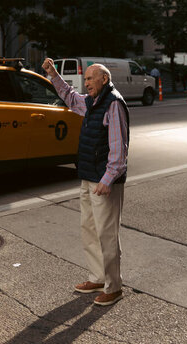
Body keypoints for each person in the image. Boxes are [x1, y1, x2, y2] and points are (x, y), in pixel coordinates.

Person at [42, 57, 129, 307]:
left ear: (105, 79)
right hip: (89, 177)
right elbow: (70, 97)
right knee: (89, 229)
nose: (86, 82)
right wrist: (54, 75)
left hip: (104, 181)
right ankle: (98, 277)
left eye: (91, 78)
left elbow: (118, 148)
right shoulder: (92, 102)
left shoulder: (113, 104)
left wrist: (108, 179)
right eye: (86, 78)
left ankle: (114, 287)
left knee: (107, 234)